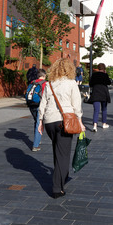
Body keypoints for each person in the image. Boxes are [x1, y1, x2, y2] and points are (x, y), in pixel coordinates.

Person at [38, 59, 85, 198]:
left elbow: (43, 103)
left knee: (57, 151)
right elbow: (76, 104)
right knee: (63, 155)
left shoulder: (49, 84)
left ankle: (61, 177)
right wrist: (80, 121)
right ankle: (57, 187)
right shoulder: (71, 83)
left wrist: (40, 121)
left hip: (49, 121)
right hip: (65, 121)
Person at [28, 69, 47, 152]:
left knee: (36, 122)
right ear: (44, 76)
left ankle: (38, 139)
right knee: (39, 123)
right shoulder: (45, 83)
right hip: (39, 105)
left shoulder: (32, 82)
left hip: (31, 105)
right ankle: (35, 145)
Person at [89, 63, 111, 132]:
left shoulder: (94, 75)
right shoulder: (105, 75)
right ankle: (104, 124)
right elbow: (109, 82)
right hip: (104, 94)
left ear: (98, 68)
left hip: (96, 93)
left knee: (96, 110)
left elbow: (91, 84)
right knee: (104, 109)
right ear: (104, 68)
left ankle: (95, 126)